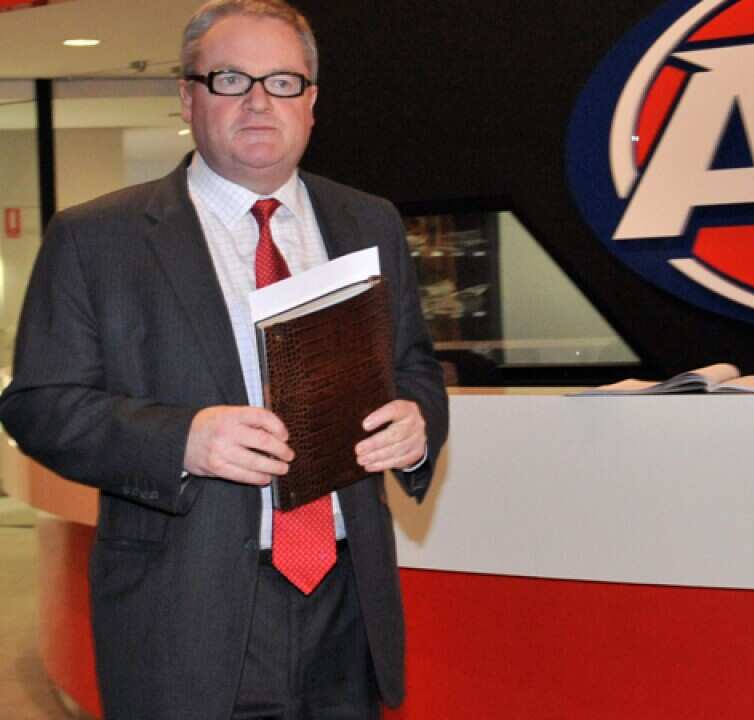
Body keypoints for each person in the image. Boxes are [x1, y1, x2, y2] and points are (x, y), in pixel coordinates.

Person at [0, 1, 449, 717]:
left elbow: (415, 364)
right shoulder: (97, 239)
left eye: (282, 82)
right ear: (187, 95)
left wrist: (417, 419)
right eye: (231, 79)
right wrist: (183, 440)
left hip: (347, 605)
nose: (258, 102)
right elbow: (40, 404)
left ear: (311, 102)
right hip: (185, 611)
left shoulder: (369, 221)